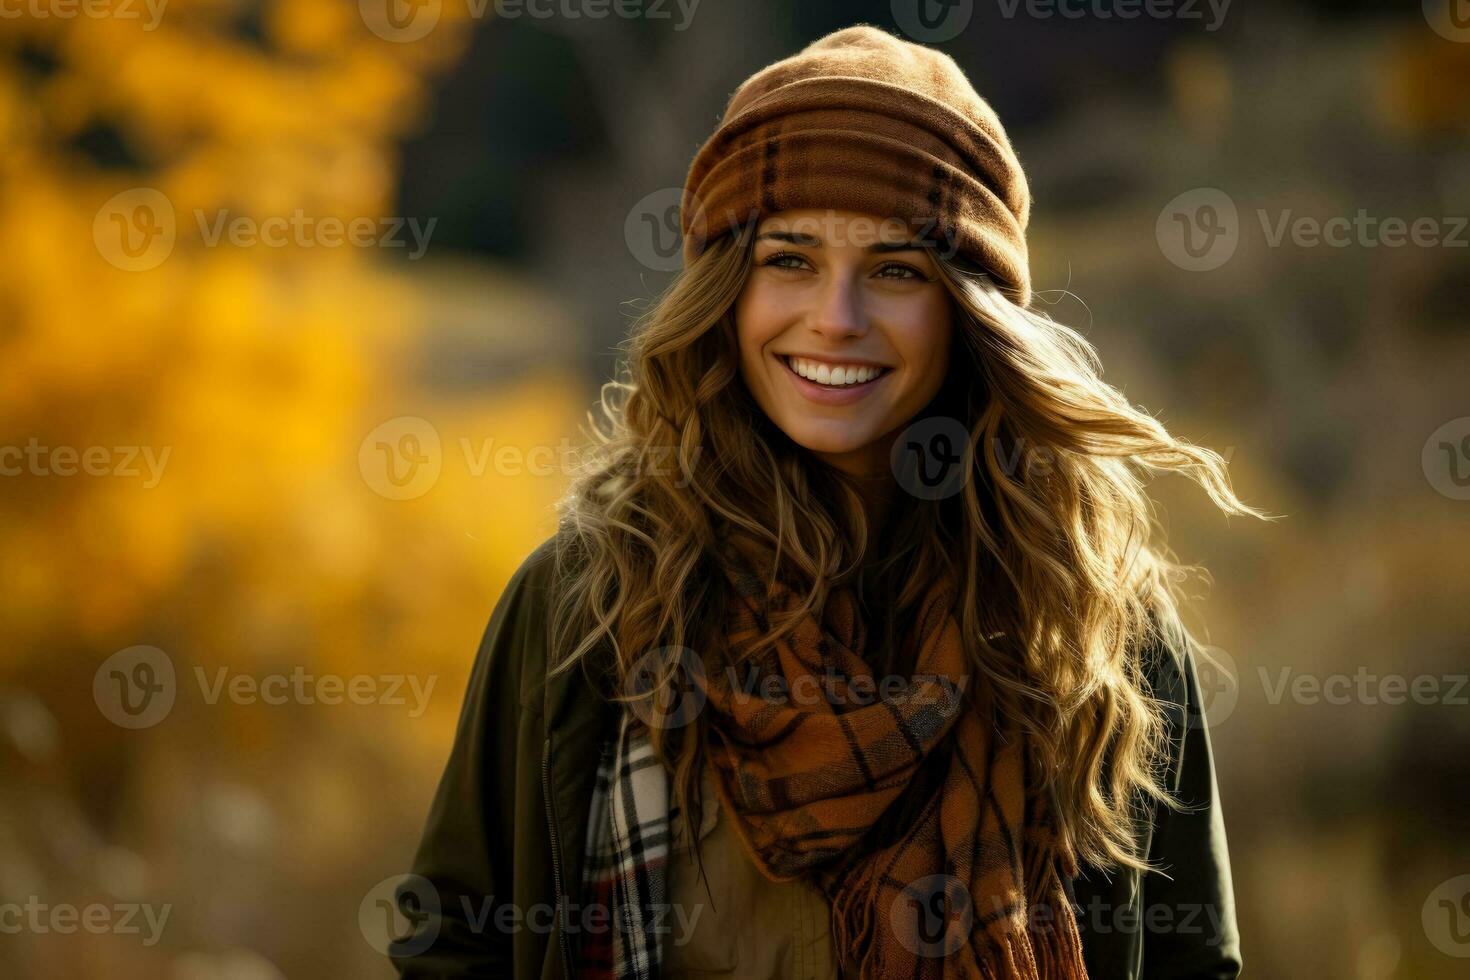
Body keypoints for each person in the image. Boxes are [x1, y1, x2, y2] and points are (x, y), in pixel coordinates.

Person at [391, 23, 1261, 980]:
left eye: (895, 270)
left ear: (969, 311)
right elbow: (454, 942)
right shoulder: (588, 607)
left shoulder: (1091, 629)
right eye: (790, 260)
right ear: (726, 291)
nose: (836, 318)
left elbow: (1191, 964)